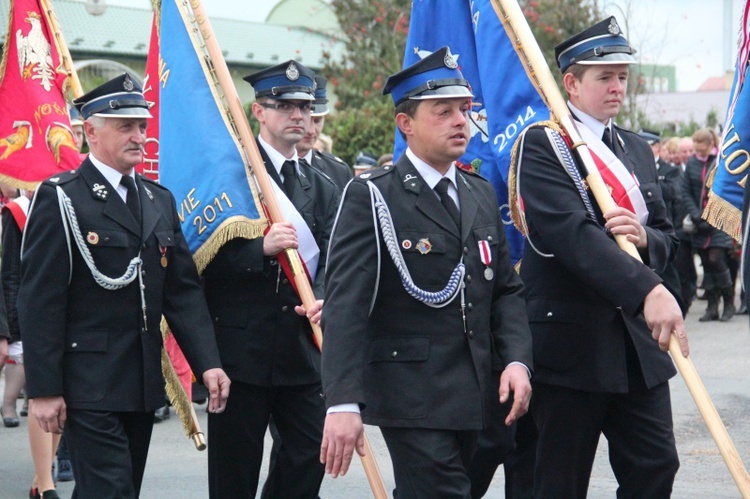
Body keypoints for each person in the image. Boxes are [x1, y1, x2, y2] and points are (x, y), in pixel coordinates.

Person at [319, 46, 533, 498]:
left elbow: (507, 292)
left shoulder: (477, 192)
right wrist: (342, 400)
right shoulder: (373, 196)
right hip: (412, 397)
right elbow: (346, 303)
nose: (461, 121)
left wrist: (516, 360)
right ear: (406, 124)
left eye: (465, 109)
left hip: (480, 395)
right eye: (444, 111)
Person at [17, 74, 231, 499]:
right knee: (111, 491)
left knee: (117, 489)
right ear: (90, 132)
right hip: (87, 382)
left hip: (141, 379)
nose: (140, 137)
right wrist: (43, 390)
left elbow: (182, 291)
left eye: (143, 127)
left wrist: (208, 361)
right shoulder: (62, 198)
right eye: (126, 126)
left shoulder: (158, 199)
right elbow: (40, 300)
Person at [515, 17, 689, 497]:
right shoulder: (544, 144)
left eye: (622, 77)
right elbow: (573, 236)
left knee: (657, 466)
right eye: (604, 77)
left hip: (636, 346)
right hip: (572, 343)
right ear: (571, 83)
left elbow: (667, 237)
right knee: (560, 480)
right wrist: (649, 289)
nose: (617, 87)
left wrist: (648, 240)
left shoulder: (635, 148)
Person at [203, 60, 339, 498]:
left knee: (308, 456)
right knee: (233, 473)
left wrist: (321, 298)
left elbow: (337, 260)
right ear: (259, 112)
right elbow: (198, 259)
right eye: (284, 106)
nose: (297, 115)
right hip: (241, 352)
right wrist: (256, 250)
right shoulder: (231, 177)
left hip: (302, 350)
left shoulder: (323, 182)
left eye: (304, 106)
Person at [683, 128, 736, 322]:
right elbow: (685, 190)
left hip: (719, 219)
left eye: (702, 150)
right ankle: (712, 307)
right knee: (706, 262)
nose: (699, 153)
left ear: (710, 145)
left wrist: (712, 215)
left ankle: (729, 303)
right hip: (699, 221)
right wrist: (697, 215)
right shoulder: (692, 163)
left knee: (716, 259)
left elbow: (728, 189)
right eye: (696, 150)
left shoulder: (722, 162)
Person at [640, 128, 686, 314]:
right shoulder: (635, 168)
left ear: (658, 147)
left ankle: (679, 309)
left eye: (649, 145)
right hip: (643, 230)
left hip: (665, 230)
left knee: (670, 276)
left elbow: (673, 192)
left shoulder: (670, 170)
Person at [296, 74, 354, 192]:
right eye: (305, 119)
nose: (311, 130)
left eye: (317, 120)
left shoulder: (338, 171)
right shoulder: (261, 165)